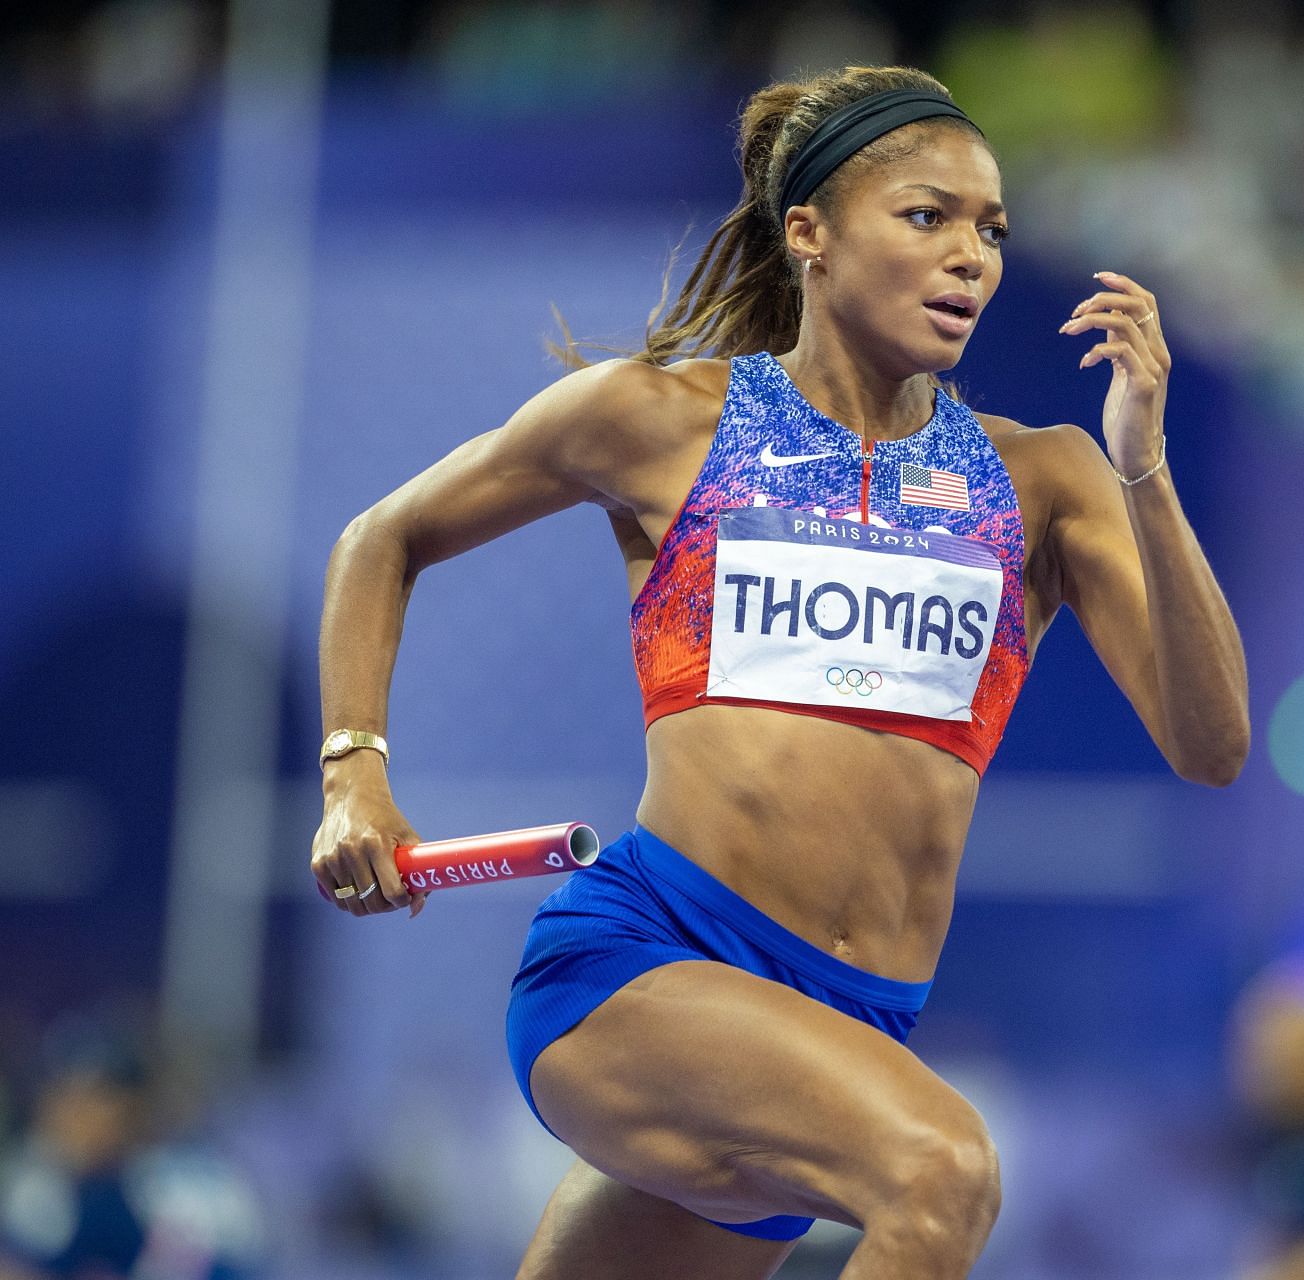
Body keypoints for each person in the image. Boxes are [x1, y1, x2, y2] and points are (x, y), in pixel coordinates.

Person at [310, 64, 1248, 1279]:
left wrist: (1144, 468)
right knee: (942, 1169)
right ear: (809, 231)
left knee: (921, 1162)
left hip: (839, 1034)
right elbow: (380, 540)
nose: (973, 255)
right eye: (928, 216)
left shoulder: (1046, 480)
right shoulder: (661, 422)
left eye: (992, 229)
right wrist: (353, 771)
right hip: (646, 967)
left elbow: (1212, 742)